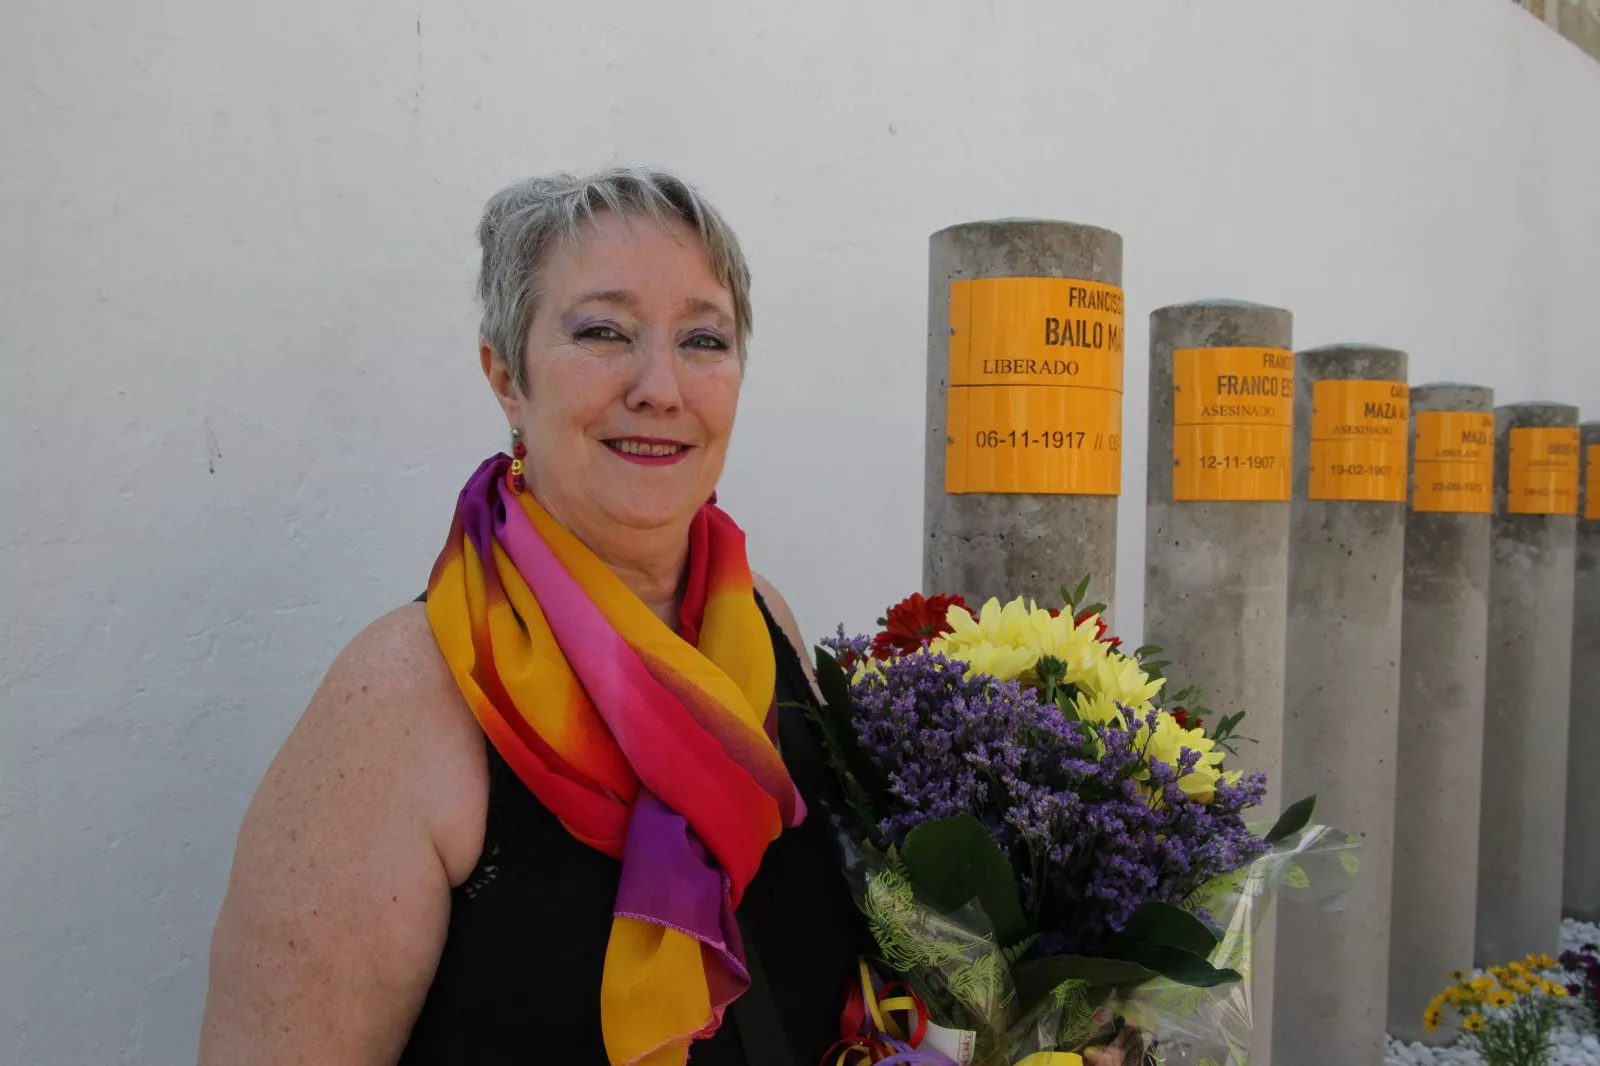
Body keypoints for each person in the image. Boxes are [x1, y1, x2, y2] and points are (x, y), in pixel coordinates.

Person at [199, 167, 871, 1065]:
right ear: (506, 378)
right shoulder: (404, 697)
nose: (661, 386)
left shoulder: (760, 622)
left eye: (704, 339)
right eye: (603, 331)